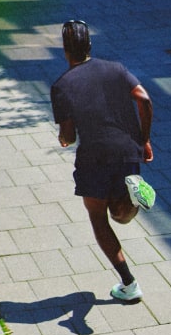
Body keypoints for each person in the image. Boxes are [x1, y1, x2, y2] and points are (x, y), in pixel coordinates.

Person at [50, 19, 156, 302]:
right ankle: (131, 199)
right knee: (119, 213)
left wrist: (63, 139)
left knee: (100, 218)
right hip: (127, 150)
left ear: (65, 50)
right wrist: (144, 140)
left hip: (94, 157)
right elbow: (144, 99)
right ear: (90, 46)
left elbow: (69, 136)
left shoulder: (62, 86)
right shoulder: (116, 69)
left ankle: (129, 283)